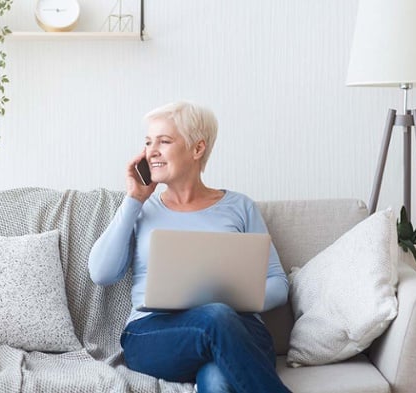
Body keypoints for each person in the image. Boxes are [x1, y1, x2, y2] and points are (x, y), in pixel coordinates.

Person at [88, 101, 291, 393]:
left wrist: (227, 301)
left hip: (240, 332)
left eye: (164, 141)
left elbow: (278, 284)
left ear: (197, 149)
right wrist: (134, 199)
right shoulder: (140, 210)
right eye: (148, 142)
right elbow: (101, 272)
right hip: (156, 335)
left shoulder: (240, 207)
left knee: (217, 378)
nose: (151, 151)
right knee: (215, 318)